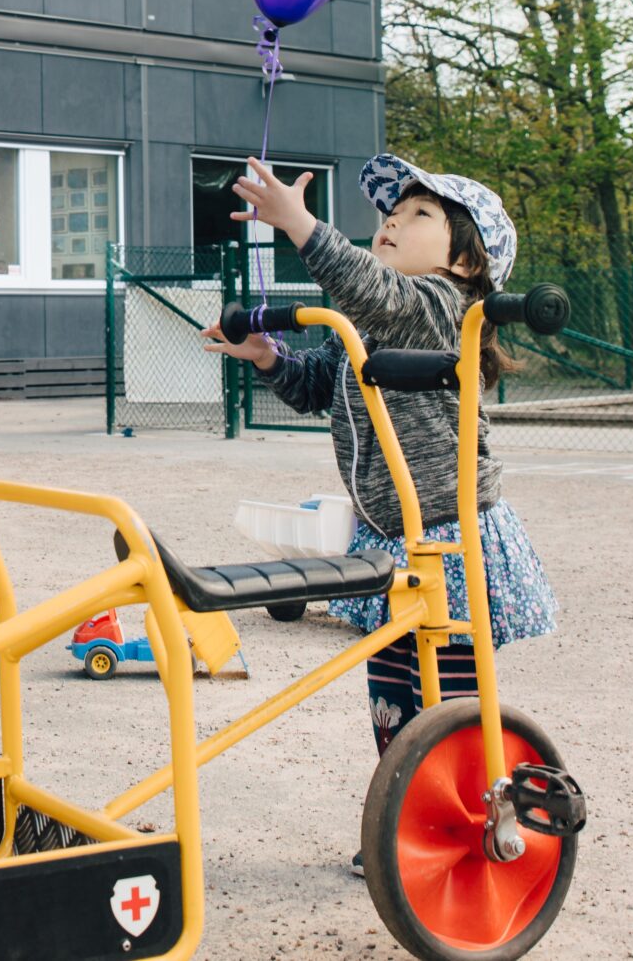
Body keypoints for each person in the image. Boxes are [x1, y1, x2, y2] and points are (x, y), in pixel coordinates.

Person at [201, 154, 558, 869]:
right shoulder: (365, 321)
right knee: (393, 690)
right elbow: (319, 388)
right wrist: (269, 358)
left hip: (451, 531)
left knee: (448, 689)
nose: (392, 219)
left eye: (419, 214)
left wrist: (300, 225)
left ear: (465, 258)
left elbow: (379, 294)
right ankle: (413, 817)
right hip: (392, 535)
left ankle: (484, 810)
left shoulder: (443, 308)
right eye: (391, 212)